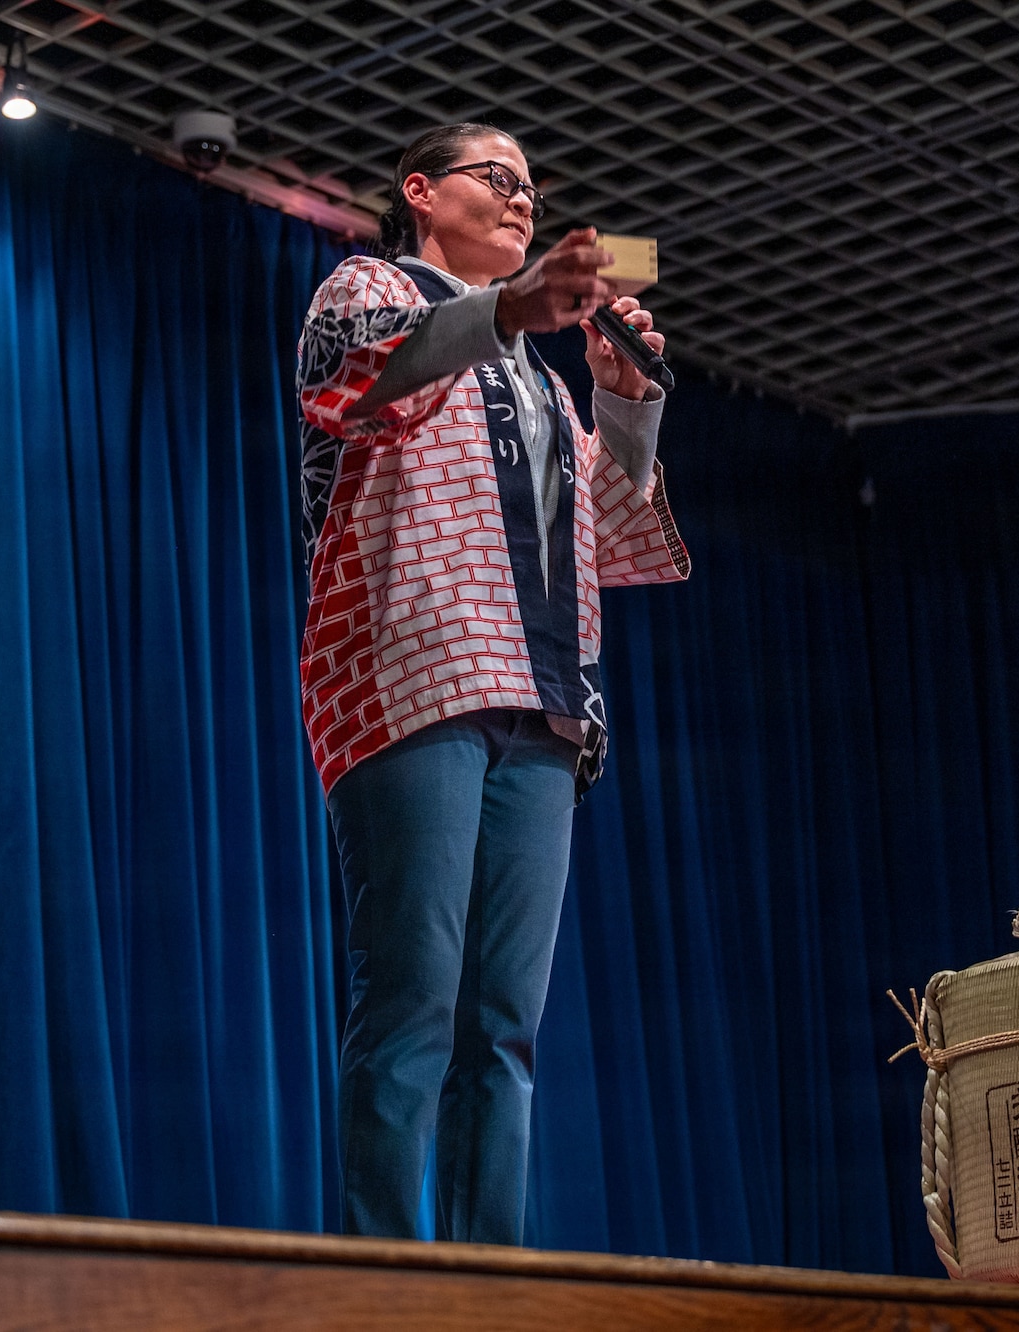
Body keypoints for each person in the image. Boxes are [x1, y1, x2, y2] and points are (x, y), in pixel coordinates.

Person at [294, 122, 690, 1242]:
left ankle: (491, 1282)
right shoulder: (365, 289)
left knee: (504, 1026)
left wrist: (622, 401)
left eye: (532, 191)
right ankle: (386, 1277)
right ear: (420, 192)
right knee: (413, 998)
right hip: (413, 682)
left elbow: (604, 542)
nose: (521, 202)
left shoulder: (536, 378)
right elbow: (371, 377)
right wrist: (515, 308)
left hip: (543, 701)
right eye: (497, 181)